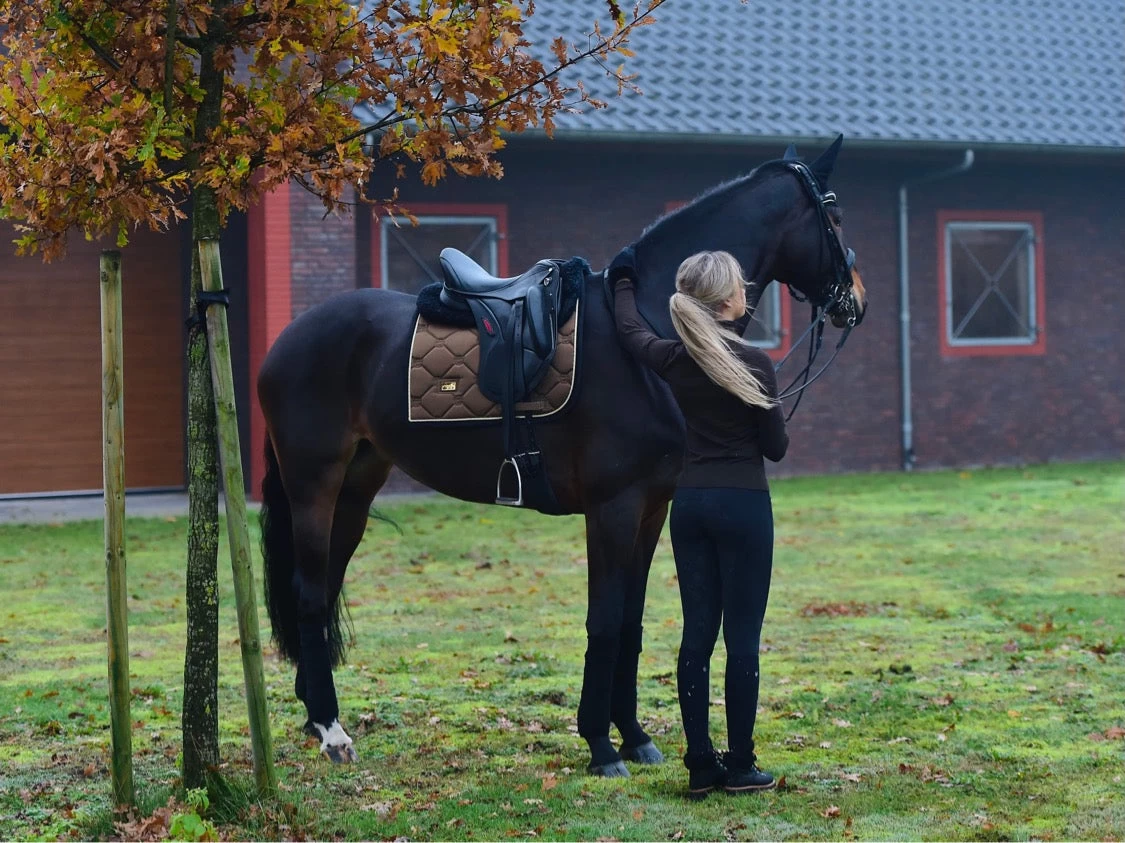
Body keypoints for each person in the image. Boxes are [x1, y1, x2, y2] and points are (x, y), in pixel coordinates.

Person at [610, 249, 788, 799]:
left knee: (698, 636)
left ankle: (700, 766)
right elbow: (776, 449)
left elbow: (632, 331)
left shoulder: (672, 358)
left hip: (690, 505)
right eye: (741, 286)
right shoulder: (755, 364)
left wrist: (620, 282)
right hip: (743, 507)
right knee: (743, 640)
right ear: (731, 300)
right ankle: (741, 765)